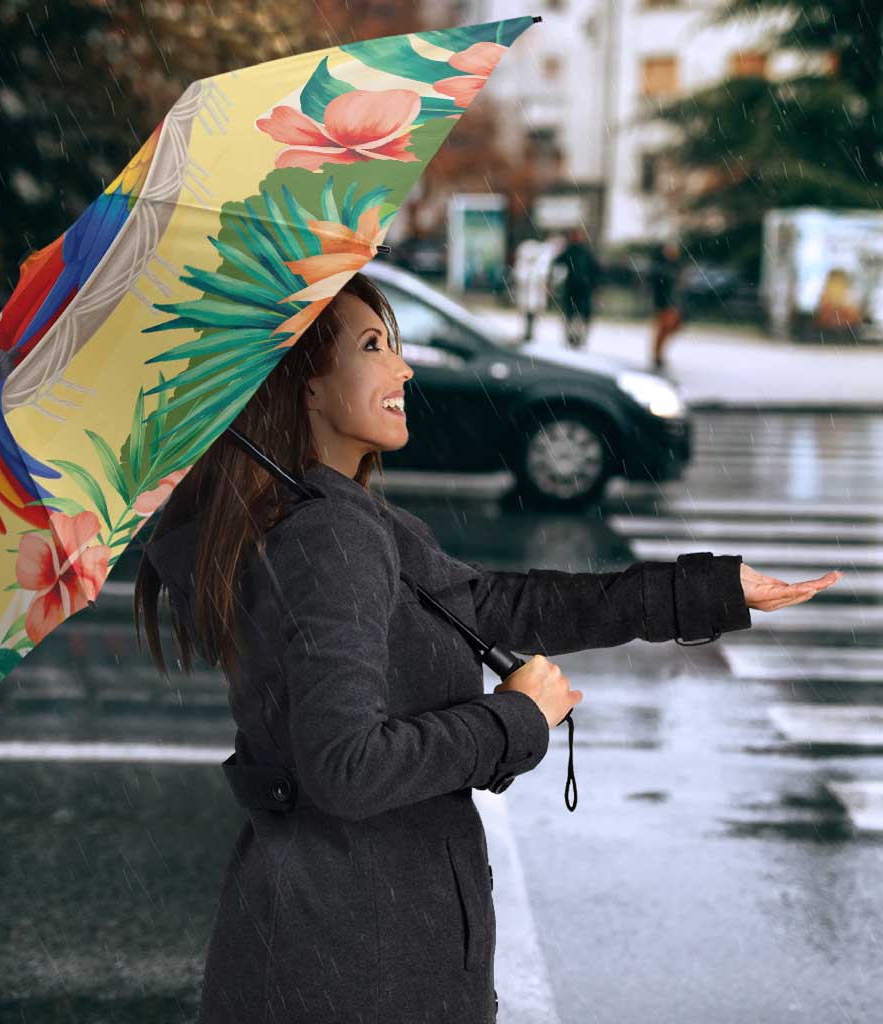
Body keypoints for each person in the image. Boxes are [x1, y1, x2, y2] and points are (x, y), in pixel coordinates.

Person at [135, 272, 840, 1024]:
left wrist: (708, 590)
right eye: (373, 346)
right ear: (305, 387)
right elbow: (346, 767)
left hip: (340, 943)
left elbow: (503, 606)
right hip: (354, 962)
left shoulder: (338, 519)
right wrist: (514, 719)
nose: (403, 368)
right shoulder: (328, 536)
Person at [551, 226, 601, 349]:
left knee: (579, 315)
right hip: (574, 288)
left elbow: (595, 270)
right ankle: (572, 337)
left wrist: (594, 284)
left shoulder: (584, 252)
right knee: (572, 314)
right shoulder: (571, 251)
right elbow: (557, 264)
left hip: (582, 288)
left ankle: (578, 337)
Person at [649, 239, 685, 370]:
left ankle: (658, 354)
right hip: (664, 303)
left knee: (671, 328)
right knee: (663, 329)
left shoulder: (676, 266)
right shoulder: (661, 267)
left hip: (673, 303)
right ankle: (657, 355)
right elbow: (658, 286)